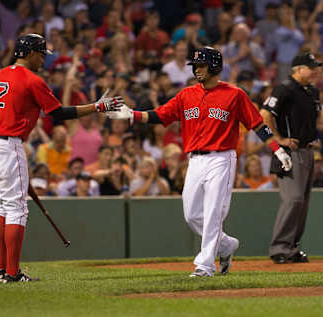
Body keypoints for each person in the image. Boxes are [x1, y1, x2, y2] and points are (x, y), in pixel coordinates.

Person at [107, 47, 292, 277]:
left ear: (215, 66)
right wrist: (131, 114)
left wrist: (278, 150)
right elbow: (160, 115)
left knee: (213, 211)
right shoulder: (186, 95)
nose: (197, 69)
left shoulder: (235, 94)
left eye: (201, 65)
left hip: (221, 158)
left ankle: (204, 266)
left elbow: (257, 125)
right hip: (194, 160)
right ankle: (225, 245)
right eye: (195, 66)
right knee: (192, 215)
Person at [0, 33, 123, 283]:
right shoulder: (32, 79)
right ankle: (12, 273)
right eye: (41, 53)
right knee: (16, 210)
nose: (44, 59)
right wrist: (98, 106)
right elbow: (59, 113)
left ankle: (2, 270)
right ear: (29, 52)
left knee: (1, 206)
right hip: (6, 145)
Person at [260, 52, 323, 264]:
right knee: (294, 199)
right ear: (297, 69)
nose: (315, 70)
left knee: (302, 203)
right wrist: (277, 140)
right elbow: (264, 115)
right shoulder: (284, 88)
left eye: (316, 67)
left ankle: (292, 248)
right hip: (289, 152)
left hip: (307, 150)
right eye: (311, 66)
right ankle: (279, 248)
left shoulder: (312, 91)